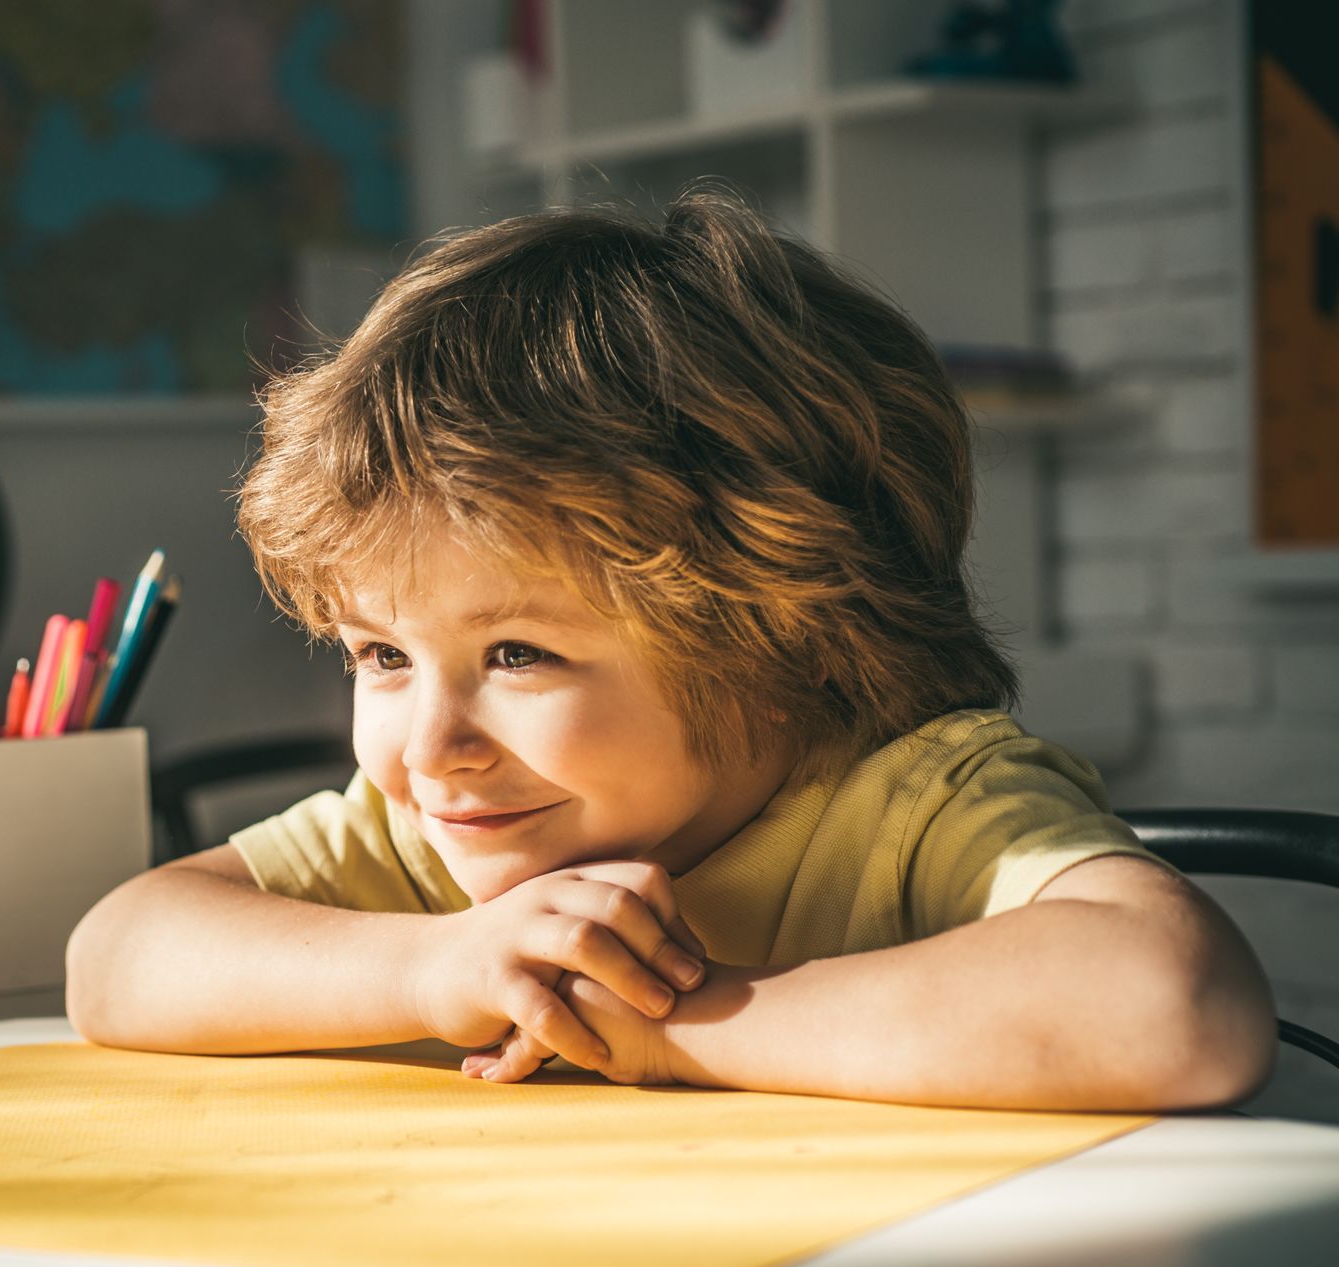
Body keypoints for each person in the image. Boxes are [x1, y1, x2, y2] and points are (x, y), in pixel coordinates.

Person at [66, 190, 1276, 1111]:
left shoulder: (915, 804)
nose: (429, 746)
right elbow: (115, 956)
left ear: (782, 634)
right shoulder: (443, 841)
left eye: (520, 655)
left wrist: (673, 1027)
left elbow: (1173, 1005)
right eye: (381, 656)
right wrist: (435, 969)